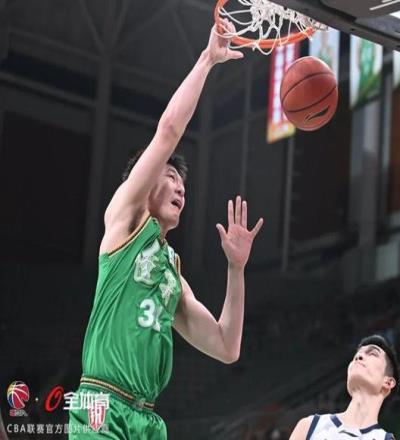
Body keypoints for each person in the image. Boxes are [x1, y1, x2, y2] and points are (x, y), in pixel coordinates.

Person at [69, 21, 263, 439]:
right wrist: (207, 59)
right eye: (171, 176)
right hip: (102, 404)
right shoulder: (124, 219)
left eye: (183, 184)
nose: (180, 187)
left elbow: (227, 347)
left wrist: (236, 269)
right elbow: (169, 131)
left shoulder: (171, 272)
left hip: (148, 420)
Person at [290, 335, 400, 440]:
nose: (358, 356)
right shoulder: (309, 426)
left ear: (388, 382)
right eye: (356, 355)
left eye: (372, 354)